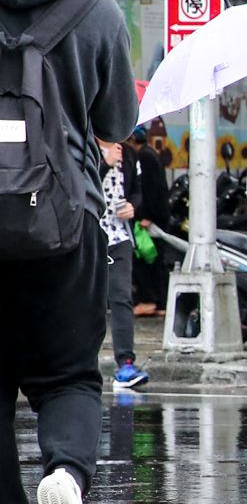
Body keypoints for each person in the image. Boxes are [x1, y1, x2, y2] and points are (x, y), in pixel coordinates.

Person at [0, 0, 139, 504]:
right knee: (68, 377)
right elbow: (116, 121)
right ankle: (65, 473)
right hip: (65, 219)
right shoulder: (96, 10)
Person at [98, 139, 149, 390]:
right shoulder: (81, 144)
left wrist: (132, 207)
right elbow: (74, 186)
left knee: (121, 298)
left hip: (119, 237)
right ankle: (79, 364)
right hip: (88, 235)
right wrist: (104, 164)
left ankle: (125, 363)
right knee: (86, 302)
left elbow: (137, 190)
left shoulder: (128, 153)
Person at [126, 126, 170, 317]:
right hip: (153, 218)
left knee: (149, 259)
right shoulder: (148, 154)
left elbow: (152, 190)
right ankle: (157, 301)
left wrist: (147, 216)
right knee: (153, 259)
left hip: (151, 220)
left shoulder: (145, 157)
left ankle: (152, 300)